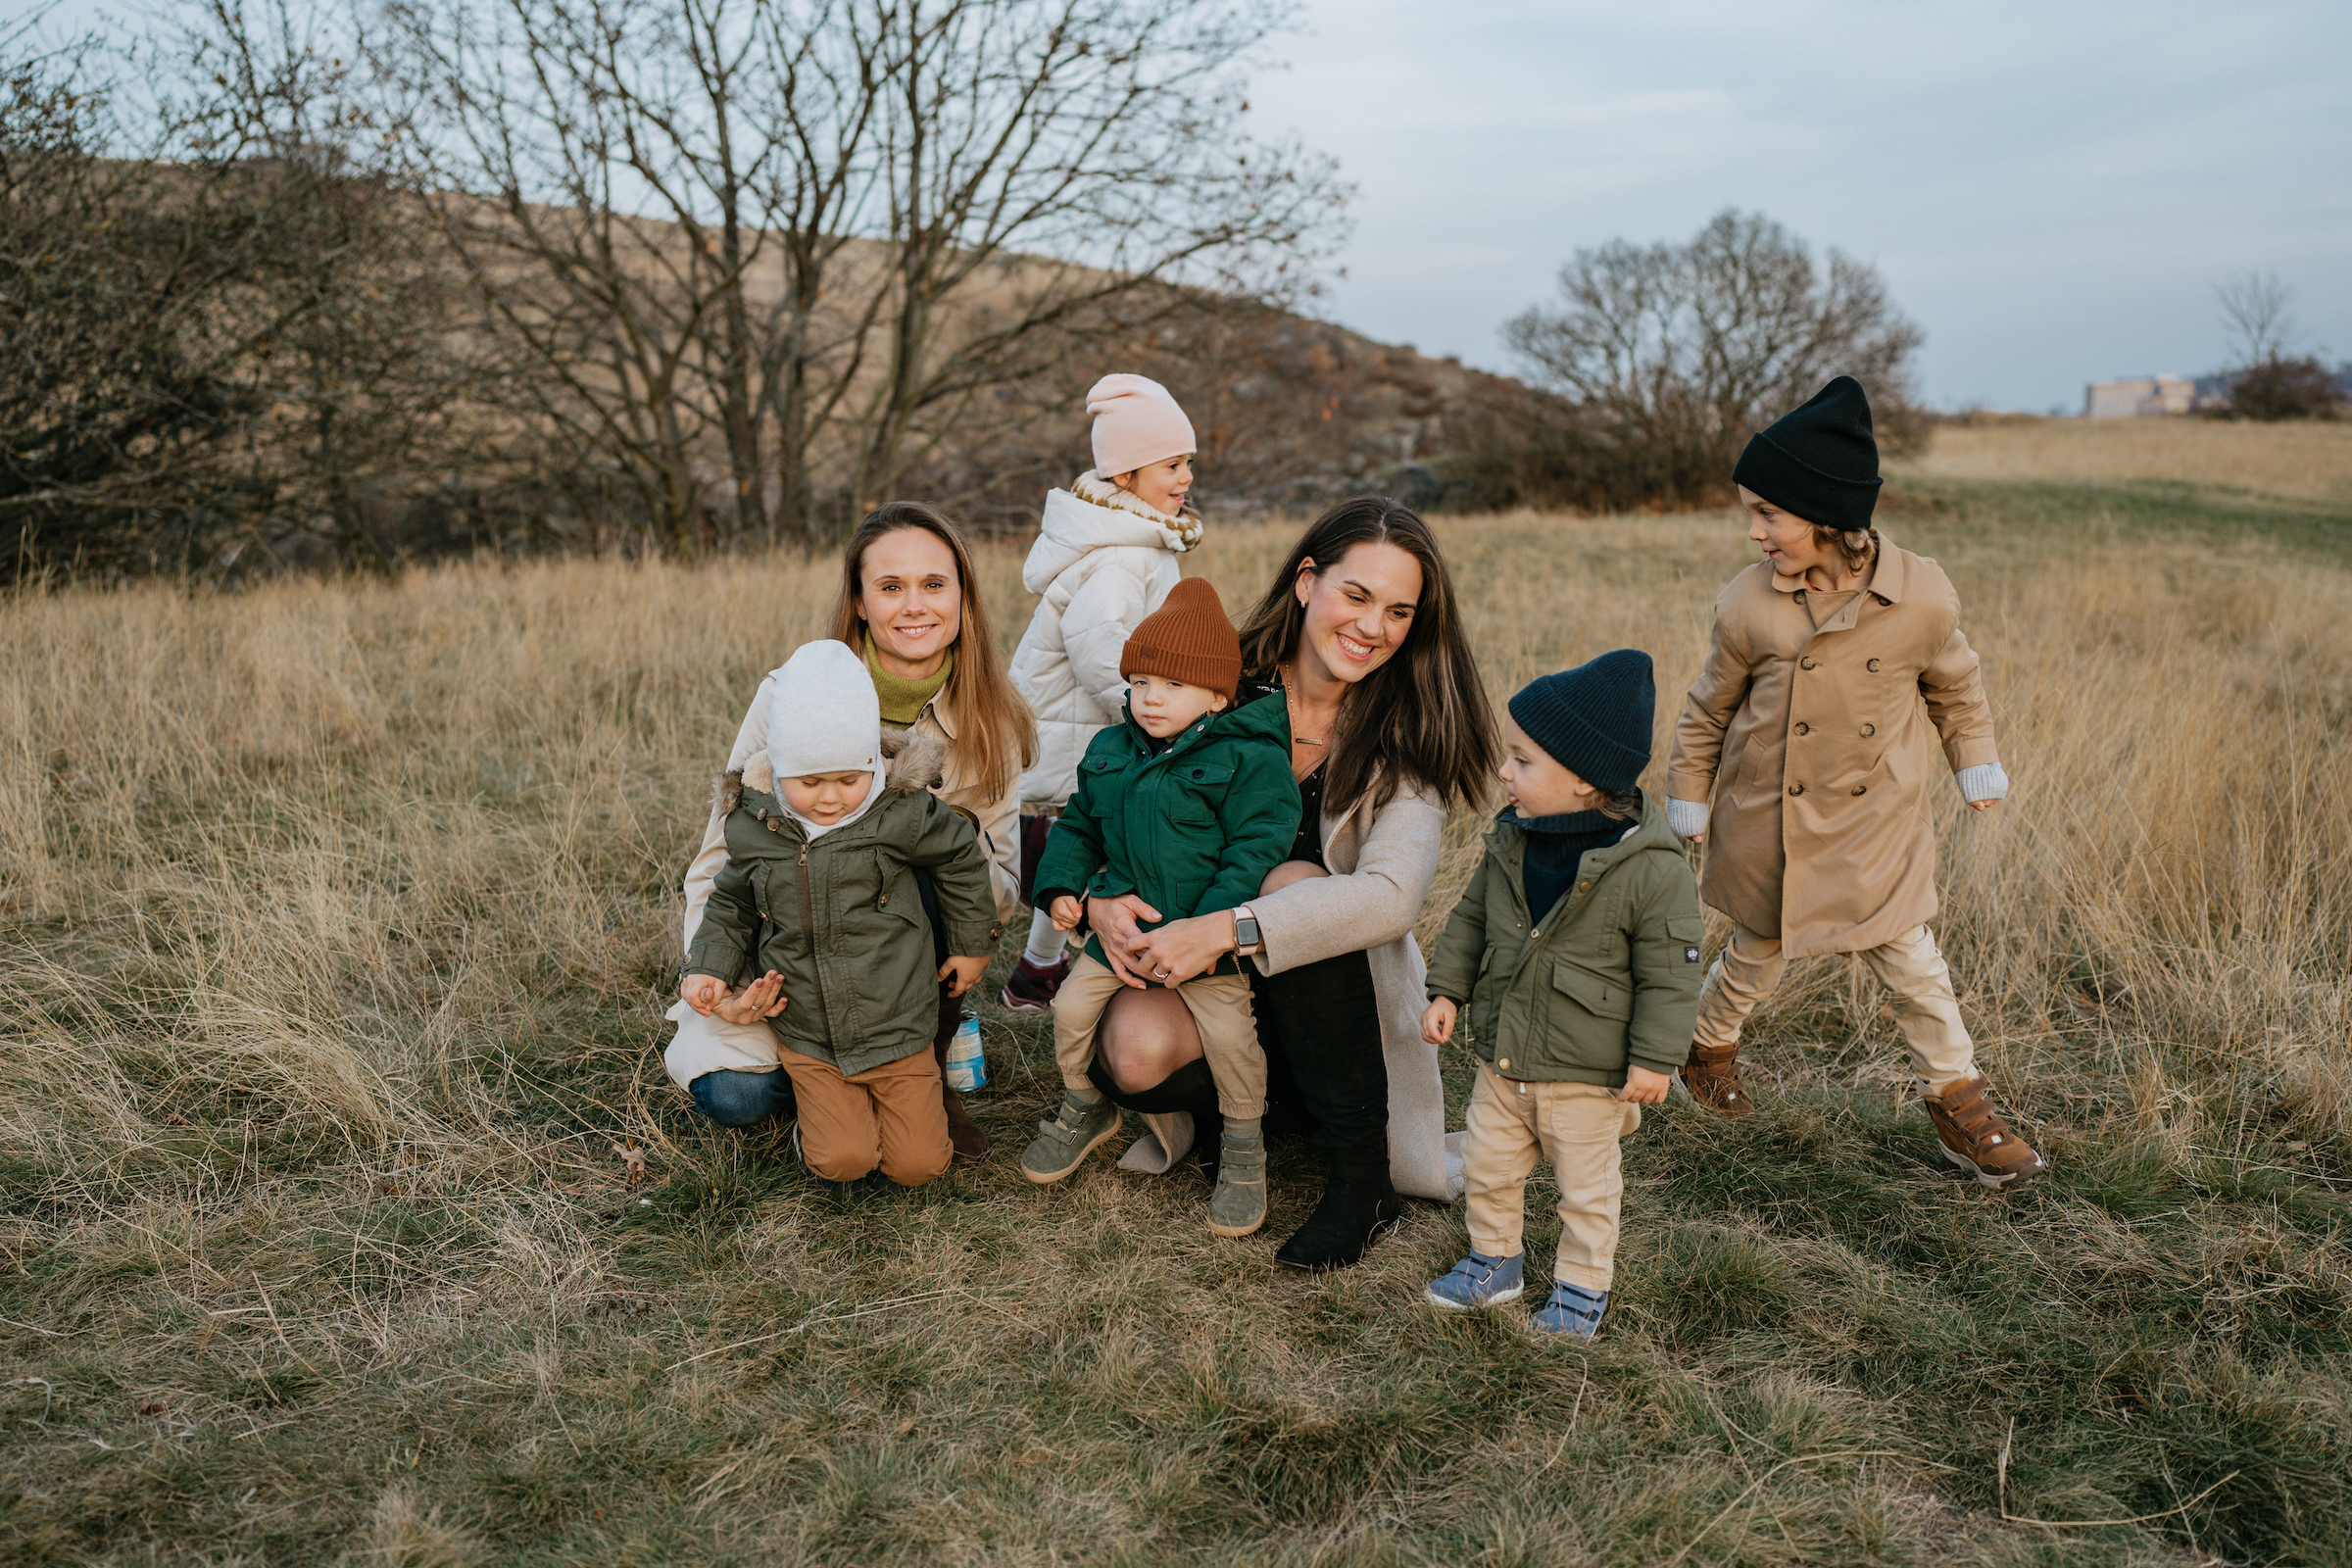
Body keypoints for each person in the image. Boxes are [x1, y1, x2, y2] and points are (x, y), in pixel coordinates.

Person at [1102, 497, 1503, 1270]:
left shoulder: (1403, 734)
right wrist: (1102, 900)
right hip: (1204, 982)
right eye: (1356, 596)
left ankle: (1363, 1185)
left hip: (1328, 997)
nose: (1372, 626)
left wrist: (1227, 927)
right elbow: (1112, 799)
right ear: (1307, 582)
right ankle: (1238, 1117)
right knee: (1132, 1053)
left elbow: (1390, 897)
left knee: (1292, 880)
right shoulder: (1215, 680)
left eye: (1398, 611)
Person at [1665, 375, 2045, 1186]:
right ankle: (1706, 1047)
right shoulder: (1749, 605)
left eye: (1770, 513)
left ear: (1827, 513)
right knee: (1755, 956)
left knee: (1914, 968)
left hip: (1878, 828)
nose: (1757, 532)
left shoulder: (1921, 596)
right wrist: (1688, 793)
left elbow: (1957, 686)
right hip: (1775, 825)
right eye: (1751, 515)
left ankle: (1959, 1106)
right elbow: (1706, 713)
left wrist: (1972, 758)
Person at [667, 503, 1029, 1161]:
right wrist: (718, 979)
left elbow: (1002, 874)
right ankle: (829, 1093)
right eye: (890, 587)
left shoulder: (989, 714)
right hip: (790, 963)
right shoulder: (789, 694)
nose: (914, 605)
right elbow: (722, 858)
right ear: (860, 602)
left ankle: (918, 1064)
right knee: (734, 1095)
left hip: (898, 965)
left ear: (963, 596)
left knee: (919, 843)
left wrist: (933, 837)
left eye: (934, 584)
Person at [1419, 652, 1703, 1340]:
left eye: (1522, 761)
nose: (1503, 773)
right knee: (1486, 1165)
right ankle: (1495, 1259)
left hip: (1587, 1070)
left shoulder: (1650, 870)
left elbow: (1672, 972)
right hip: (1504, 1059)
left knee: (1587, 1190)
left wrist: (1654, 1059)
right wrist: (1447, 988)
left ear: (1582, 780)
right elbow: (1471, 919)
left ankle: (1581, 1286)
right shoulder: (1513, 841)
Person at [1015, 578, 1299, 1239]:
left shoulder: (1247, 759)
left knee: (1233, 1042)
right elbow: (1080, 826)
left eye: (1170, 685)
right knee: (1069, 1008)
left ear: (1218, 696)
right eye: (1139, 682)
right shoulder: (1111, 752)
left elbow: (1256, 849)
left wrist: (1207, 927)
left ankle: (1244, 1145)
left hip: (1209, 943)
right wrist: (1063, 891)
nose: (1150, 698)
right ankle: (1085, 1105)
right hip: (1126, 931)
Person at [676, 641, 998, 1191]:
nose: (828, 799)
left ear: (872, 762)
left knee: (919, 1166)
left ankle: (901, 1107)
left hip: (898, 1020)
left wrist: (972, 943)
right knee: (843, 1163)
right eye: (808, 783)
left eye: (848, 780)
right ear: (778, 771)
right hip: (809, 1030)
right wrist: (709, 968)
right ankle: (823, 1125)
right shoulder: (757, 824)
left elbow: (960, 857)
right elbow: (730, 903)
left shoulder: (899, 809)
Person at [1002, 373, 1203, 1012]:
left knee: (1076, 850)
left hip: (1084, 726)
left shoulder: (1134, 538)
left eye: (1188, 463)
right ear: (1124, 476)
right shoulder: (1122, 556)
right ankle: (1067, 971)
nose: (1186, 477)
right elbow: (1097, 643)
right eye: (1171, 464)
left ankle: (1038, 972)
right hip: (1080, 726)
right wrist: (1149, 713)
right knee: (1091, 852)